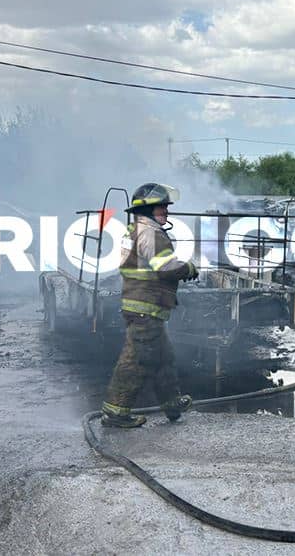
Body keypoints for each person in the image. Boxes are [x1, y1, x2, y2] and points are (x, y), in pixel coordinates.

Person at [101, 183, 200, 428]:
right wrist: (188, 268)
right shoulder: (151, 234)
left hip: (142, 306)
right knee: (135, 361)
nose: (166, 210)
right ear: (146, 210)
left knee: (163, 358)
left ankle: (172, 404)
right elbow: (165, 269)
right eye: (161, 207)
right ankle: (115, 413)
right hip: (145, 307)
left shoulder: (135, 230)